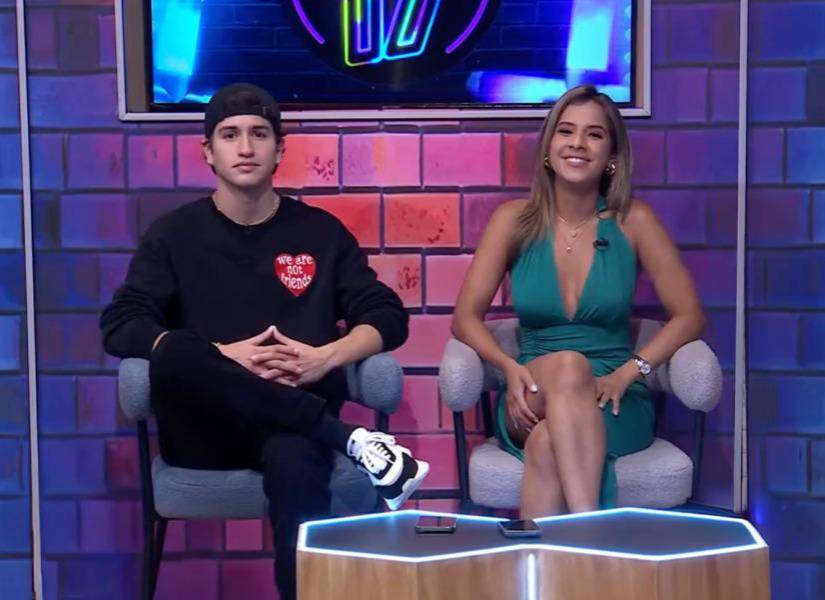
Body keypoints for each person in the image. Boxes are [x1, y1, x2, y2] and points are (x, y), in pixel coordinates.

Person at [100, 83, 429, 599]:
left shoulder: (321, 233)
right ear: (208, 151)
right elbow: (120, 323)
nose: (246, 147)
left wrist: (326, 357)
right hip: (206, 431)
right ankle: (346, 438)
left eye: (259, 134)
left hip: (294, 429)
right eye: (230, 135)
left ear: (280, 149)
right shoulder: (173, 235)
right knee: (176, 351)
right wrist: (222, 357)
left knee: (296, 463)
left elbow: (386, 314)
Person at [451, 85, 705, 517]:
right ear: (549, 148)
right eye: (566, 131)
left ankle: (549, 557)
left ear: (611, 156)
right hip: (531, 390)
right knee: (568, 366)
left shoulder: (634, 221)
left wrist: (631, 371)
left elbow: (690, 316)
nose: (578, 143)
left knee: (547, 441)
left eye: (594, 134)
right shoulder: (512, 220)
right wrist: (507, 367)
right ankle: (592, 529)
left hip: (613, 397)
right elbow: (465, 319)